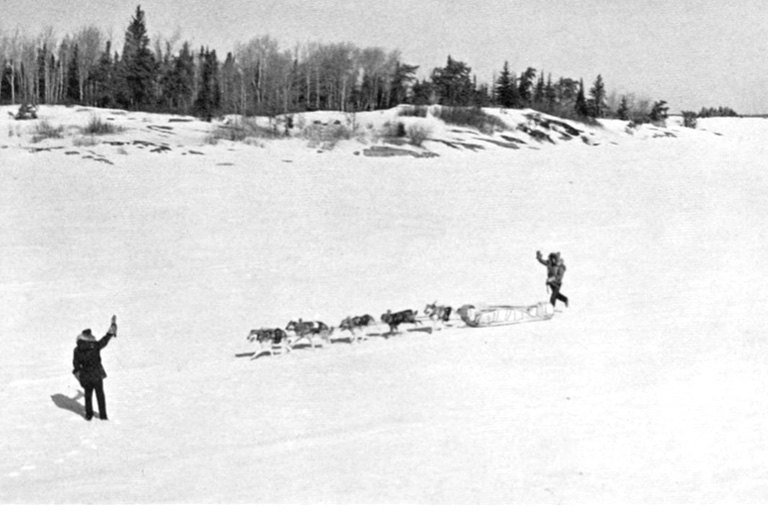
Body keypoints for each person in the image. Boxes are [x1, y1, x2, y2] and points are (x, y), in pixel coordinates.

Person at [72, 315, 117, 421]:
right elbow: (104, 340)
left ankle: (89, 415)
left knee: (88, 395)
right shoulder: (95, 345)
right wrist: (111, 330)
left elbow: (76, 364)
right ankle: (103, 416)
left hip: (85, 374)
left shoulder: (77, 349)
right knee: (100, 395)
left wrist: (80, 375)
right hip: (96, 374)